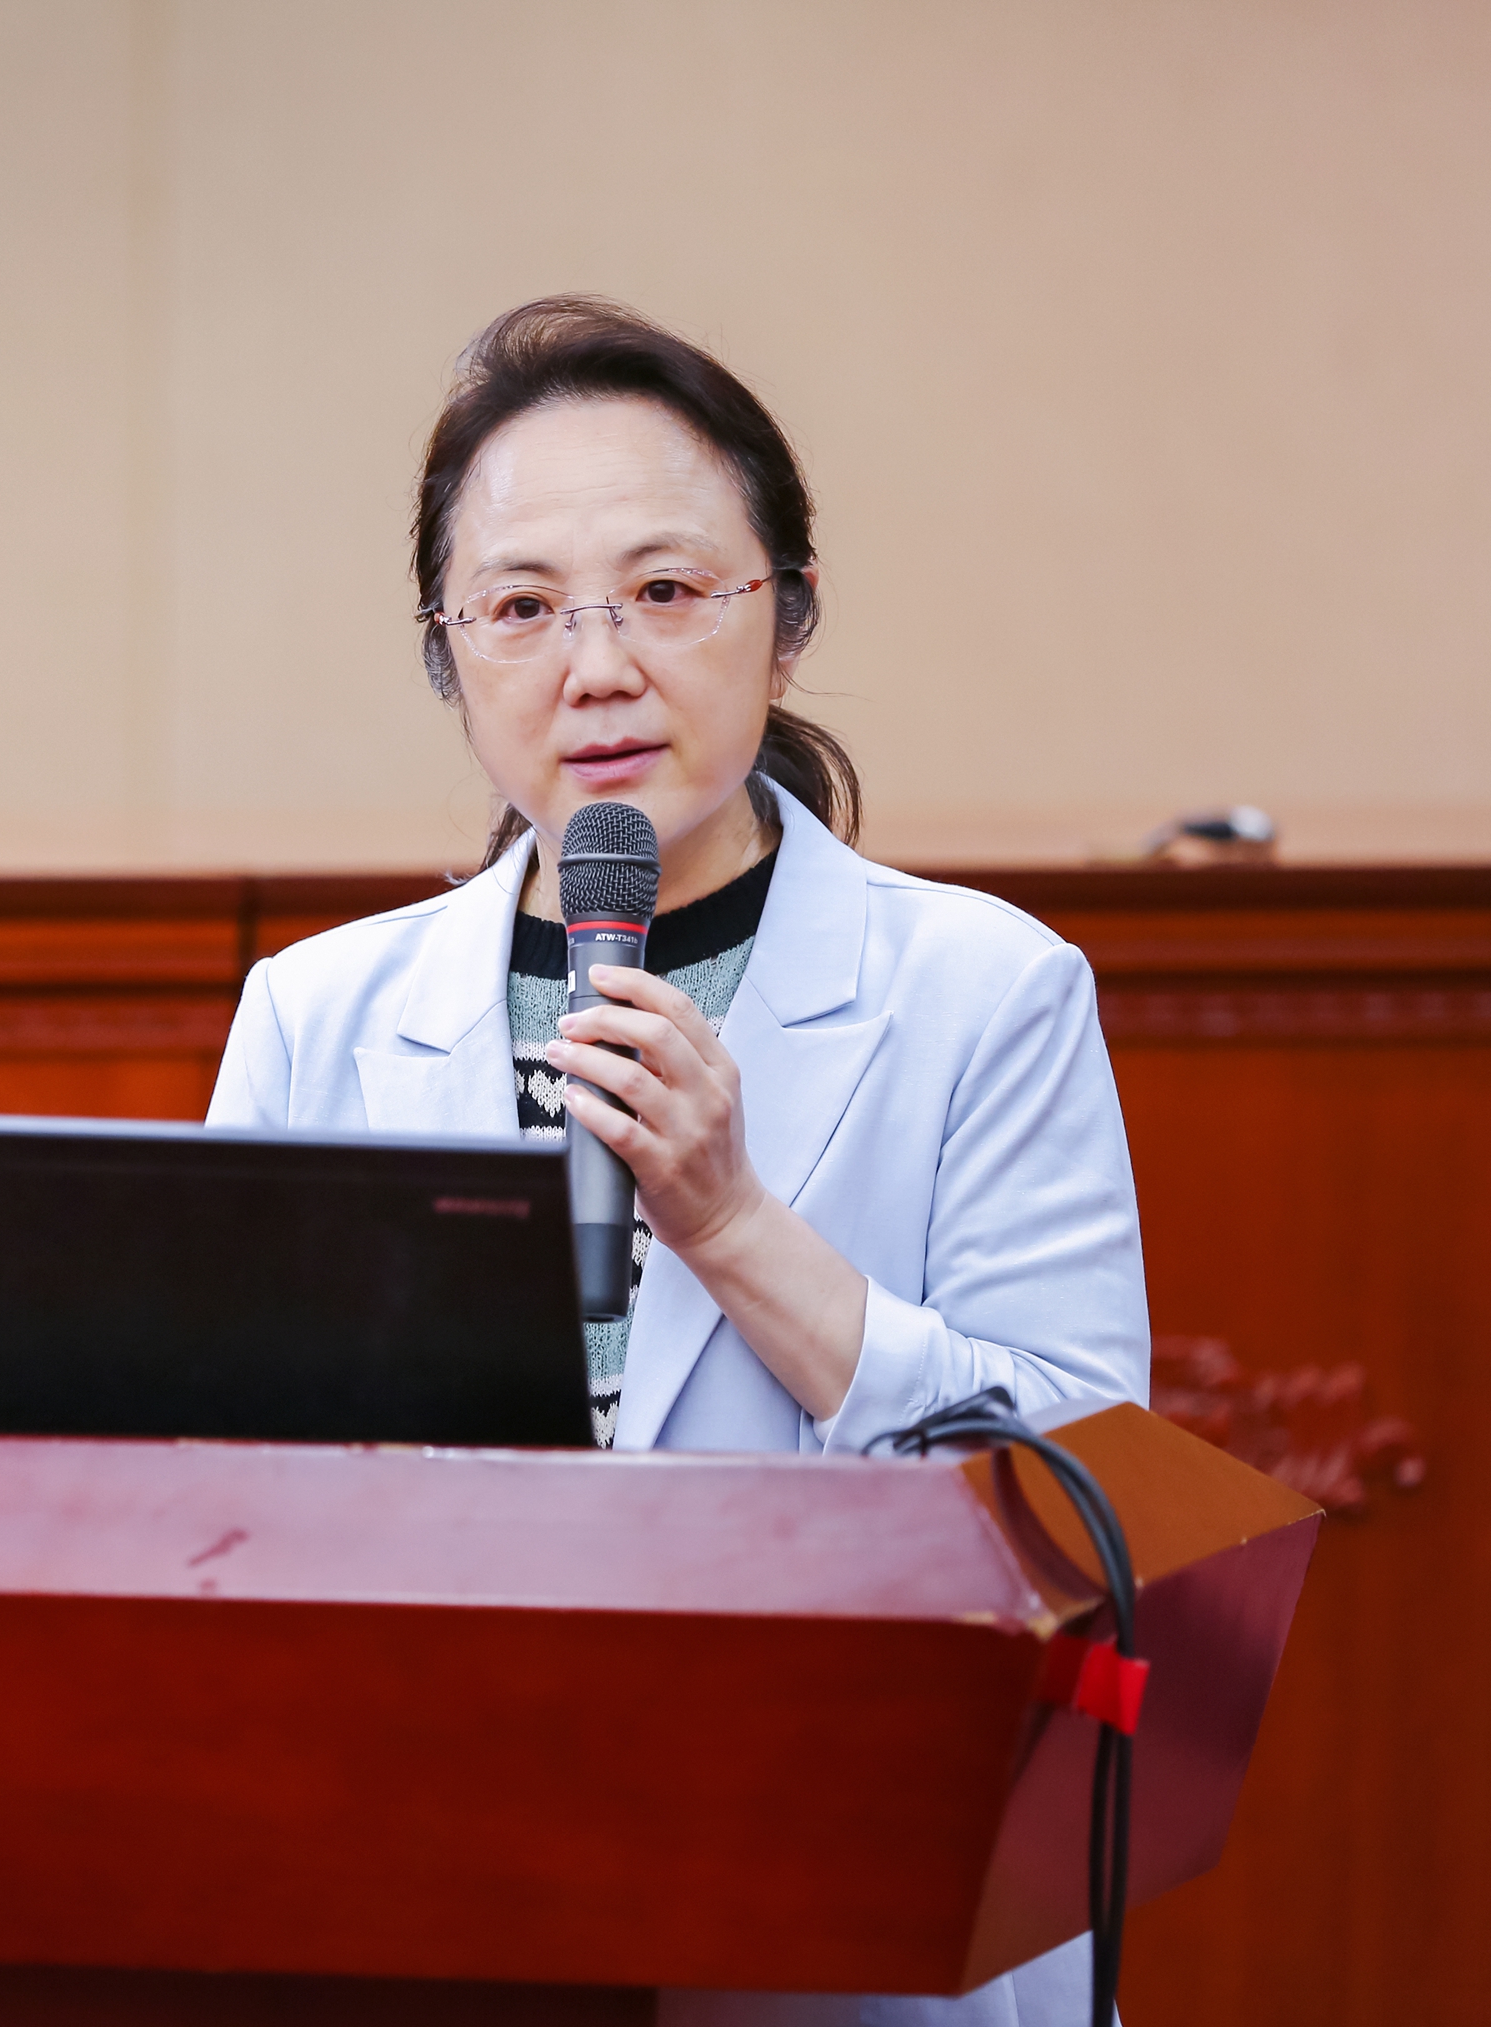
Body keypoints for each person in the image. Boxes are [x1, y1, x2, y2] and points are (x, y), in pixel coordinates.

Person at [206, 298, 1149, 2027]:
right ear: (448, 658)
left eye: (665, 589)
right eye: (520, 609)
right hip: (437, 1874)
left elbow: (1088, 1506)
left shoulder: (986, 991)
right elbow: (209, 1496)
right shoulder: (317, 1014)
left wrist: (728, 1224)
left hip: (840, 1893)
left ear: (788, 619)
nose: (598, 667)